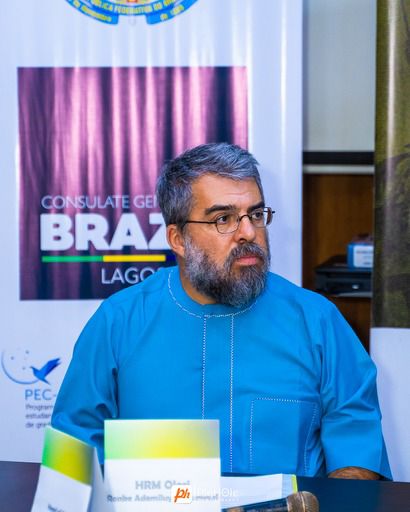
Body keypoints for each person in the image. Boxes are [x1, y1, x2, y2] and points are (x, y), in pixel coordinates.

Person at [52, 142, 391, 479]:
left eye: (255, 215)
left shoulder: (317, 321)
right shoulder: (118, 322)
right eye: (223, 219)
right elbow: (72, 454)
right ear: (178, 239)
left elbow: (358, 451)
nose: (248, 232)